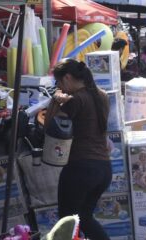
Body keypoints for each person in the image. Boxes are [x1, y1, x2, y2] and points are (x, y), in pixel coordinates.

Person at [46, 58, 111, 240]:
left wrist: (56, 102)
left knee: (66, 222)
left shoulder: (75, 100)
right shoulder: (102, 96)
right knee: (84, 218)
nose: (60, 87)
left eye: (59, 83)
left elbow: (51, 129)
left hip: (80, 168)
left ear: (67, 78)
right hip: (103, 169)